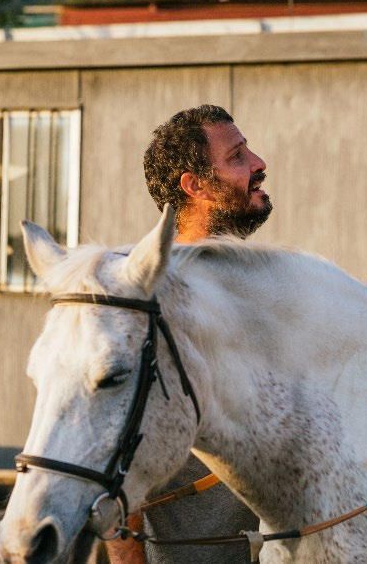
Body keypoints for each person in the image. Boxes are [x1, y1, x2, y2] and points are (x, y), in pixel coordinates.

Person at [106, 104, 269, 563]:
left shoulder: (259, 285)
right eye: (237, 156)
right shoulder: (148, 300)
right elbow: (117, 469)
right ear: (195, 186)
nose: (258, 163)